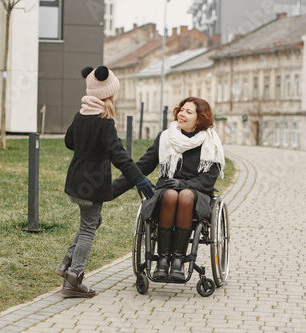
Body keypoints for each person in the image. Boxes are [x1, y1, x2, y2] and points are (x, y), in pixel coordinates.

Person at [57, 66, 155, 298]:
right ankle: (74, 278)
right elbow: (118, 155)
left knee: (91, 221)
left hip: (75, 180)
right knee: (90, 227)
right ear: (108, 94)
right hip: (92, 184)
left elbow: (69, 142)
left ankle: (67, 264)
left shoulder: (80, 115)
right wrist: (138, 177)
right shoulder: (104, 121)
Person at [112, 97, 224, 281]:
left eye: (189, 112)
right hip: (166, 193)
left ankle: (178, 260)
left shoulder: (211, 142)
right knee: (172, 195)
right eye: (181, 110)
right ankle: (163, 259)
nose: (182, 114)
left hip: (197, 194)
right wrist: (111, 191)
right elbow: (142, 167)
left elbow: (209, 179)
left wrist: (184, 185)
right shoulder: (165, 137)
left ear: (200, 118)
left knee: (185, 196)